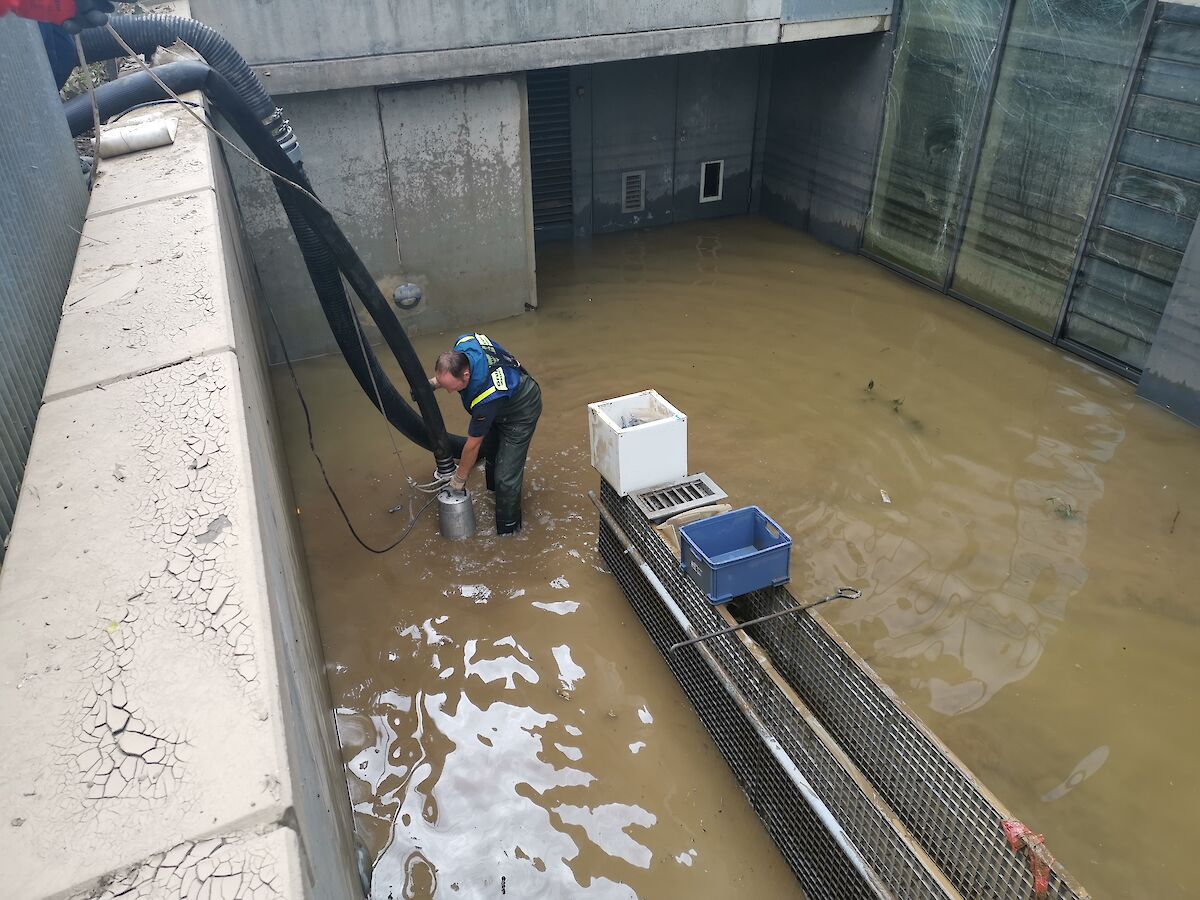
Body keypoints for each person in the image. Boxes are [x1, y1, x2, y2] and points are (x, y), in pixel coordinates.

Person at [429, 333, 541, 535]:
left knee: (505, 478)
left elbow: (472, 446)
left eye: (452, 388)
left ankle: (509, 531)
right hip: (503, 400)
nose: (449, 392)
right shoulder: (464, 344)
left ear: (466, 376)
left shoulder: (486, 396)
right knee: (492, 451)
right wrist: (432, 384)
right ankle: (492, 494)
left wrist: (459, 479)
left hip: (521, 411)